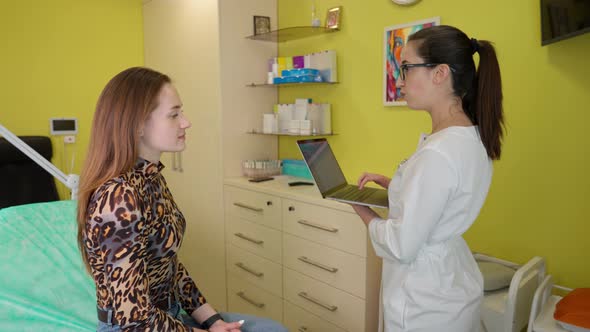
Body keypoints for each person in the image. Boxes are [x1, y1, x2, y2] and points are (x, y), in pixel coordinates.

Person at [77, 67, 288, 332]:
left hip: (169, 317)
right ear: (139, 124)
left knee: (271, 329)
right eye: (174, 115)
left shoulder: (151, 178)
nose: (186, 122)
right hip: (140, 328)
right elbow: (135, 320)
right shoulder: (118, 199)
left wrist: (214, 322)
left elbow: (170, 267)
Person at [350, 25, 505, 332]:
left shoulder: (438, 153)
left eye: (406, 68)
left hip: (423, 303)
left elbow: (401, 245)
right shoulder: (470, 136)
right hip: (450, 287)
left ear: (440, 74)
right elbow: (443, 201)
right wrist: (398, 186)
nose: (399, 79)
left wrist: (362, 210)